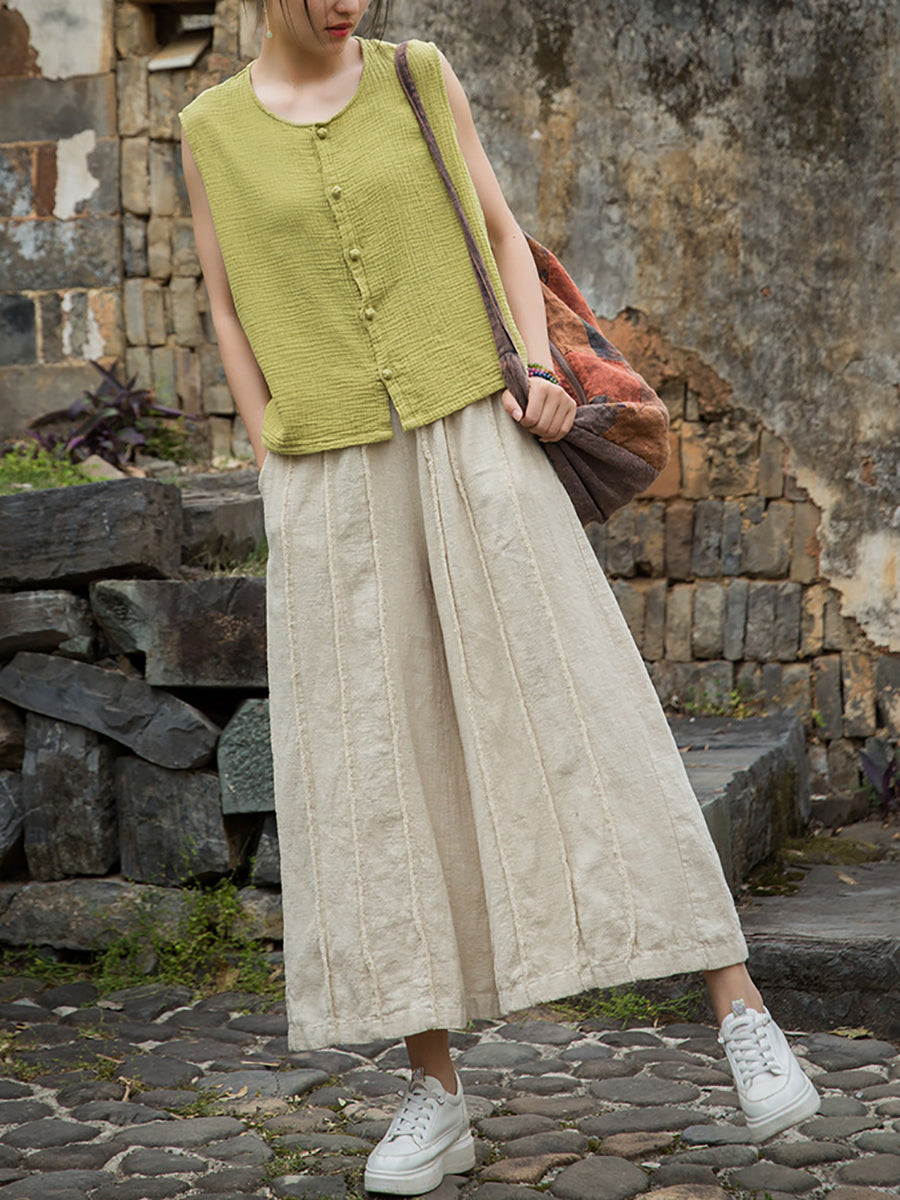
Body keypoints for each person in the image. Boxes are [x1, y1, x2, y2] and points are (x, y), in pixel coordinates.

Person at [180, 1, 820, 1193]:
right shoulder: (209, 127)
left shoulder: (416, 75)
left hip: (476, 432)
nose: (348, 2)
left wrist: (531, 366)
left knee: (587, 705)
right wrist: (268, 449)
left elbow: (497, 228)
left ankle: (739, 1007)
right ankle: (435, 1090)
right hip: (327, 477)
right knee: (377, 772)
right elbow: (224, 300)